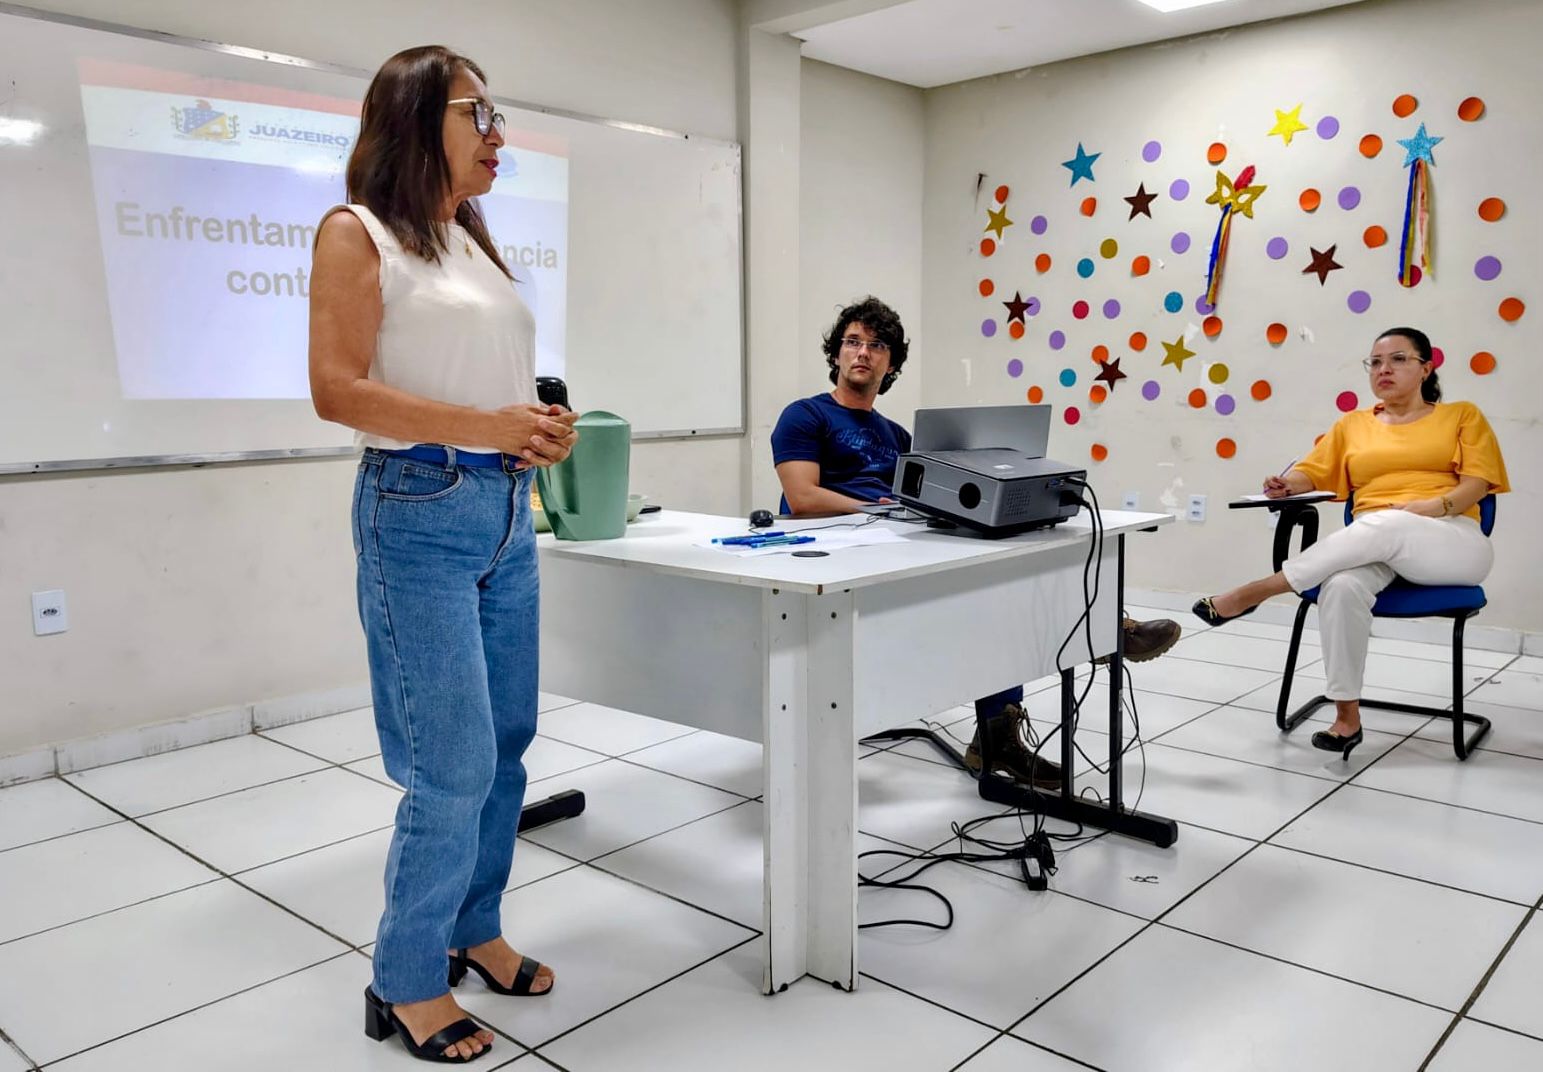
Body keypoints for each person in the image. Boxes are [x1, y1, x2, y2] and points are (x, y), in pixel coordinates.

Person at [309, 46, 577, 1064]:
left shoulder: (469, 238)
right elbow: (338, 390)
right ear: (419, 119)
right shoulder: (357, 232)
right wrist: (487, 425)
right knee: (450, 761)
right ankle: (406, 976)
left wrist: (549, 426)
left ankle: (477, 925)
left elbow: (507, 383)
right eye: (480, 112)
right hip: (418, 506)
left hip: (508, 510)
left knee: (507, 742)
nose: (499, 134)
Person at [771, 296, 1181, 790]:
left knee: (1010, 561)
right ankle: (1099, 634)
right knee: (992, 589)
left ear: (892, 362)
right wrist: (881, 509)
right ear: (836, 355)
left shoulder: (899, 434)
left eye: (876, 345)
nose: (863, 353)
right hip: (840, 546)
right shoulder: (805, 416)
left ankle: (1014, 718)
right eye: (852, 343)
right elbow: (801, 497)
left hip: (900, 535)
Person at [1194, 326, 1509, 759]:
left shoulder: (1461, 415)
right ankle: (1347, 718)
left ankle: (1255, 592)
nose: (1384, 369)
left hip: (1451, 541)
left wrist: (1429, 508)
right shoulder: (1354, 424)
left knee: (1388, 523)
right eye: (1376, 362)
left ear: (1425, 368)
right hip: (1377, 541)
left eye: (1398, 359)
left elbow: (1477, 484)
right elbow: (1313, 472)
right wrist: (1288, 483)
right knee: (1341, 586)